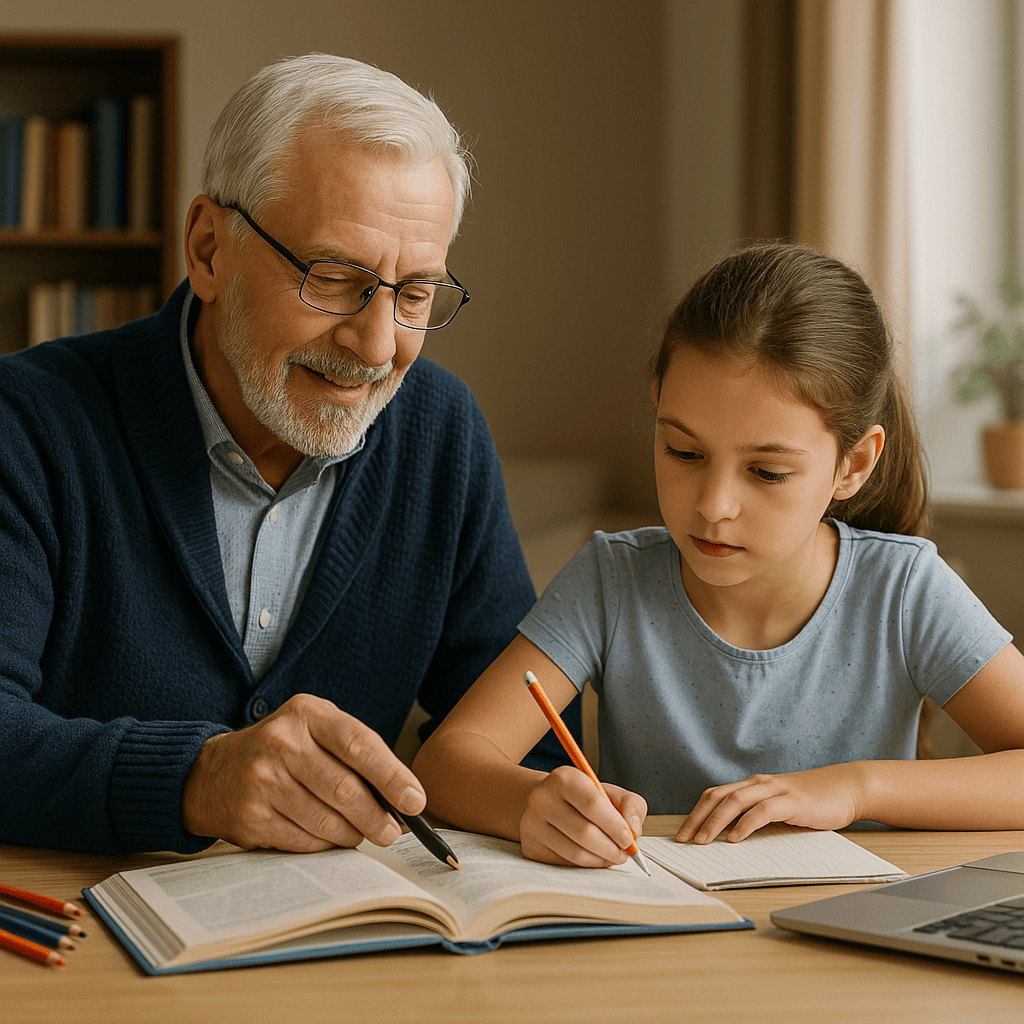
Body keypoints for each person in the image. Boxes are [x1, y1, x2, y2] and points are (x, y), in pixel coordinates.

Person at [0, 53, 575, 855]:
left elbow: (521, 737)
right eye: (334, 279)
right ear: (209, 249)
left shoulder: (443, 433)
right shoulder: (26, 422)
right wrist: (195, 779)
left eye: (414, 294)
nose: (377, 347)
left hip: (344, 924)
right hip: (81, 916)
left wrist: (553, 803)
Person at [413, 241, 1024, 869]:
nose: (713, 506)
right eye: (684, 453)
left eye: (766, 472)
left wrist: (856, 788)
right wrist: (529, 802)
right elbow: (447, 761)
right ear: (658, 404)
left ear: (854, 464)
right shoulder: (611, 580)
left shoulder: (904, 588)